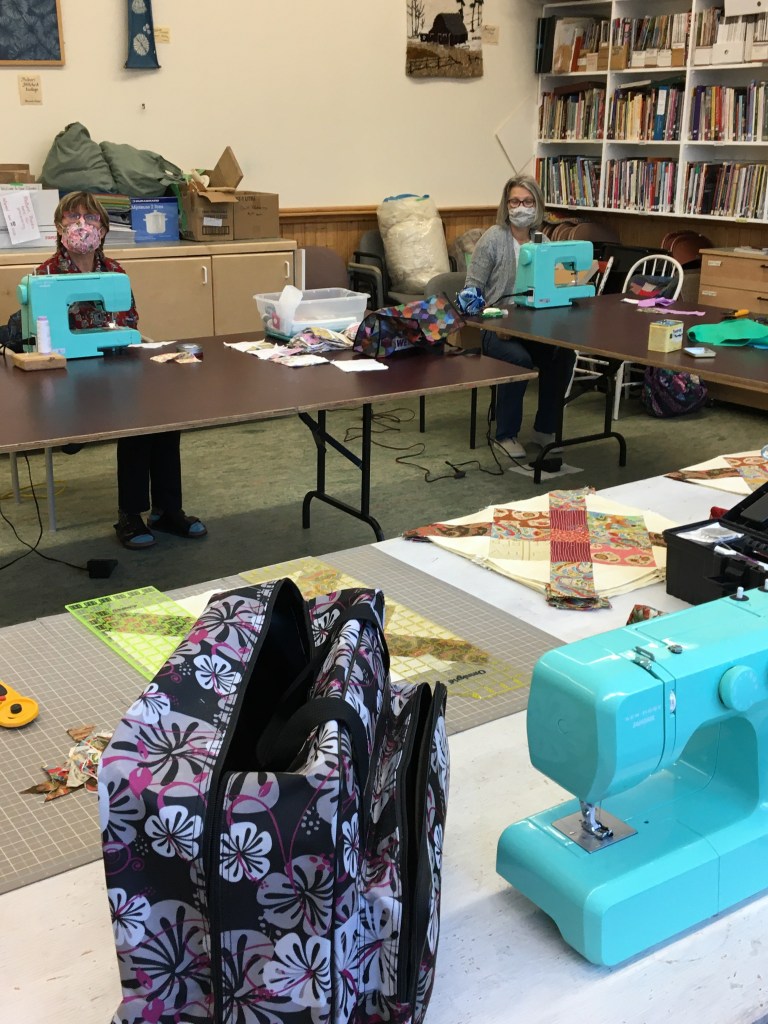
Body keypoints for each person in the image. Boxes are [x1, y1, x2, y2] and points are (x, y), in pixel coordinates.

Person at [35, 191, 206, 550]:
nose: (82, 225)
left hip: (115, 369)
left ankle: (167, 509)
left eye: (90, 218)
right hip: (71, 378)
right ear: (59, 227)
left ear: (104, 228)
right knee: (134, 418)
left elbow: (129, 325)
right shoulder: (45, 275)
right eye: (72, 217)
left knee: (162, 412)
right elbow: (42, 339)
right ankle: (130, 513)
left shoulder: (114, 271)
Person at [465, 175, 576, 461]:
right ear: (506, 205)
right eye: (514, 201)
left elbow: (557, 287)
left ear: (537, 206)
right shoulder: (493, 238)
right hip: (495, 327)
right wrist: (494, 320)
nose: (521, 207)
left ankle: (545, 430)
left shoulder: (544, 242)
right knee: (518, 359)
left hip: (532, 327)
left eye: (527, 201)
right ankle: (505, 434)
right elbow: (470, 294)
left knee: (562, 355)